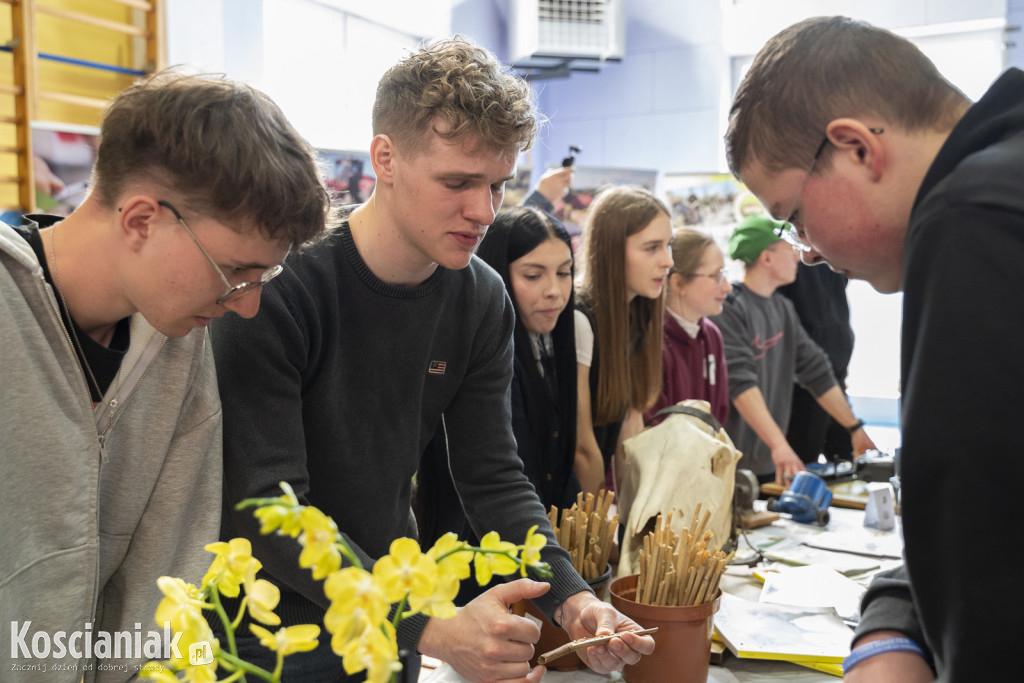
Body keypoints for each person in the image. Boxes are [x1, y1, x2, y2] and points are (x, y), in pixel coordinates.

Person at [211, 38, 654, 683]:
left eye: (498, 185)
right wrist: (433, 627)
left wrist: (574, 596)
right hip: (259, 636)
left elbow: (493, 477)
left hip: (391, 627)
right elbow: (265, 503)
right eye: (457, 182)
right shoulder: (282, 286)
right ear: (385, 158)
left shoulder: (478, 295)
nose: (483, 211)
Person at [0, 70, 331, 681]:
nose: (248, 304)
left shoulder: (180, 345)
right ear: (141, 220)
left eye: (266, 277)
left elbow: (170, 584)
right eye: (236, 270)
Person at [725, 16, 1024, 682]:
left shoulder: (973, 217)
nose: (810, 252)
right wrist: (895, 612)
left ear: (857, 148)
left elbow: (993, 584)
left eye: (796, 216)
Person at [418, 205, 581, 603]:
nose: (554, 291)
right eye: (532, 275)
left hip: (529, 559)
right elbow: (492, 478)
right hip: (474, 569)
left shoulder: (552, 348)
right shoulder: (473, 348)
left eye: (564, 272)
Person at [710, 215, 875, 485]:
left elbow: (817, 370)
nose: (798, 258)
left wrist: (854, 428)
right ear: (766, 258)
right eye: (790, 250)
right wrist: (779, 445)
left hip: (771, 460)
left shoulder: (782, 309)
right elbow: (740, 384)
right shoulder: (730, 308)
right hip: (733, 465)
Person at [574, 185, 674, 495]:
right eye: (652, 247)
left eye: (669, 246)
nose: (668, 261)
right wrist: (594, 535)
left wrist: (635, 527)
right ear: (612, 249)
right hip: (559, 509)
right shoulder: (579, 317)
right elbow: (583, 448)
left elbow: (630, 436)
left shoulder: (636, 315)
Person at [644, 228, 732, 427]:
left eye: (724, 274)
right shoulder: (651, 341)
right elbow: (652, 425)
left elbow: (719, 413)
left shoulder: (711, 335)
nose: (727, 287)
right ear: (678, 283)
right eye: (717, 276)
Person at [777, 262, 856, 462]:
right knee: (803, 465)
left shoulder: (830, 251)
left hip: (835, 371)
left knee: (847, 459)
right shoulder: (789, 253)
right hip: (804, 382)